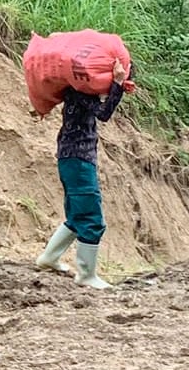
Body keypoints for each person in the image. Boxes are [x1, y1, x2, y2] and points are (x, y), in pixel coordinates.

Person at [33, 62, 136, 290]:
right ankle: (86, 275)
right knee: (91, 217)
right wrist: (117, 84)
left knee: (76, 214)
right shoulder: (82, 93)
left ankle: (49, 258)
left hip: (69, 158)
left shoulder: (75, 91)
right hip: (79, 160)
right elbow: (104, 113)